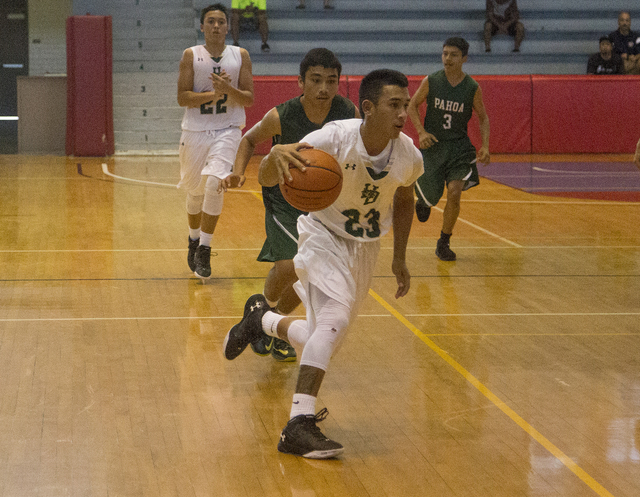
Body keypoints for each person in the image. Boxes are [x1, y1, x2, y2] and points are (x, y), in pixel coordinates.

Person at [222, 69, 423, 458]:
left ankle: (259, 319)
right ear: (368, 108)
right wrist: (274, 155)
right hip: (321, 235)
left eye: (406, 105)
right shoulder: (332, 138)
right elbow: (267, 176)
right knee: (335, 318)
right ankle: (298, 424)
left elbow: (403, 198)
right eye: (393, 105)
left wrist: (399, 256)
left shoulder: (408, 154)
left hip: (364, 248)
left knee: (323, 335)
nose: (403, 113)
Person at [221, 48, 358, 362]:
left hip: (323, 201)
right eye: (316, 80)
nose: (323, 88)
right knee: (289, 266)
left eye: (331, 81)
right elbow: (248, 140)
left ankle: (269, 324)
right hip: (283, 197)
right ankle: (262, 309)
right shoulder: (281, 115)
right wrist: (238, 171)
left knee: (306, 275)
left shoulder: (347, 111)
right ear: (300, 82)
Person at [177, 4, 254, 279]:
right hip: (195, 131)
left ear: (227, 27)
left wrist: (228, 89)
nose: (217, 26)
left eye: (221, 22)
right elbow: (182, 98)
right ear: (202, 27)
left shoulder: (240, 55)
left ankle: (206, 249)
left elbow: (248, 98)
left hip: (228, 129)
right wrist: (212, 94)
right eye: (211, 21)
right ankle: (193, 238)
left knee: (214, 182)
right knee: (195, 192)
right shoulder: (191, 55)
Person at [408, 37, 490, 262]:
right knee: (431, 197)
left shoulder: (472, 87)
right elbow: (412, 105)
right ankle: (424, 201)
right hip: (434, 146)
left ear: (464, 58)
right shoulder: (431, 81)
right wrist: (421, 132)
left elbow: (483, 118)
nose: (447, 58)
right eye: (445, 53)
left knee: (454, 193)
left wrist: (485, 146)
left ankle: (444, 242)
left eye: (453, 54)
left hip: (459, 148)